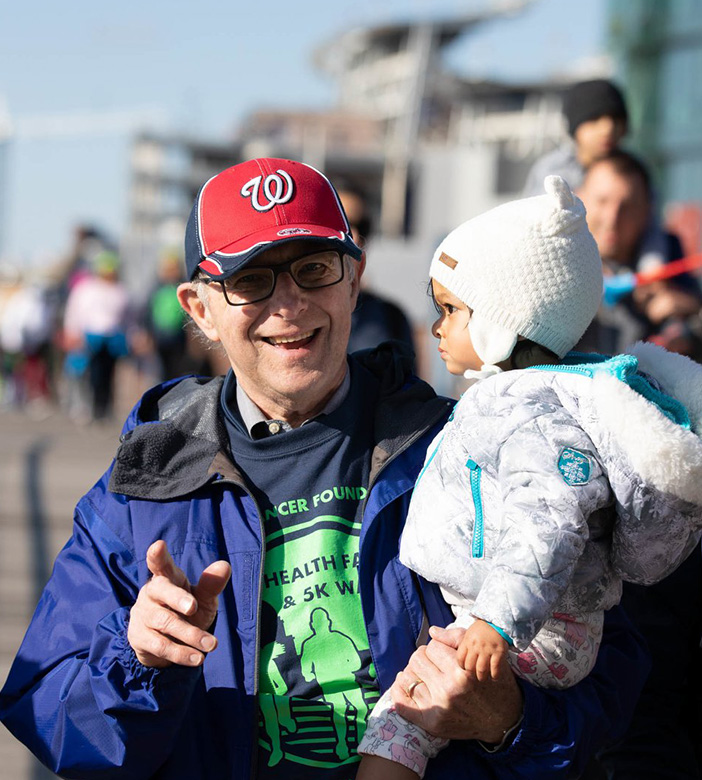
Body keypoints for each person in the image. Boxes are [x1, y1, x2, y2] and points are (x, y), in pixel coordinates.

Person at [1, 158, 649, 779]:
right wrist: (136, 656)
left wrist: (508, 720)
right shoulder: (144, 487)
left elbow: (616, 675)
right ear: (199, 309)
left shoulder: (471, 446)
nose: (289, 304)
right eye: (251, 280)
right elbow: (49, 714)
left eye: (313, 269)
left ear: (353, 280)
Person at [357, 177, 702, 779]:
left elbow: (549, 520)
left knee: (400, 718)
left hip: (536, 628)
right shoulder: (534, 397)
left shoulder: (528, 412)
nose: (436, 327)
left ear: (501, 322)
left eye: (452, 310)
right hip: (535, 621)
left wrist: (497, 622)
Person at [577, 151, 702, 358]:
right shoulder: (548, 263)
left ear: (647, 211)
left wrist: (691, 315)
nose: (612, 218)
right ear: (578, 198)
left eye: (627, 206)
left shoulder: (671, 259)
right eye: (602, 201)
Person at [523, 79, 629, 197]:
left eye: (616, 119)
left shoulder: (634, 173)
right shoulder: (553, 171)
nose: (607, 129)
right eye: (594, 119)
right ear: (575, 128)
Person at [62, 250, 131, 420]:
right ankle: (88, 407)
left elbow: (129, 318)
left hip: (113, 339)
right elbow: (74, 312)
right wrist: (71, 332)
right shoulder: (86, 289)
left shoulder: (120, 291)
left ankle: (105, 408)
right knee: (89, 373)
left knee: (109, 374)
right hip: (90, 338)